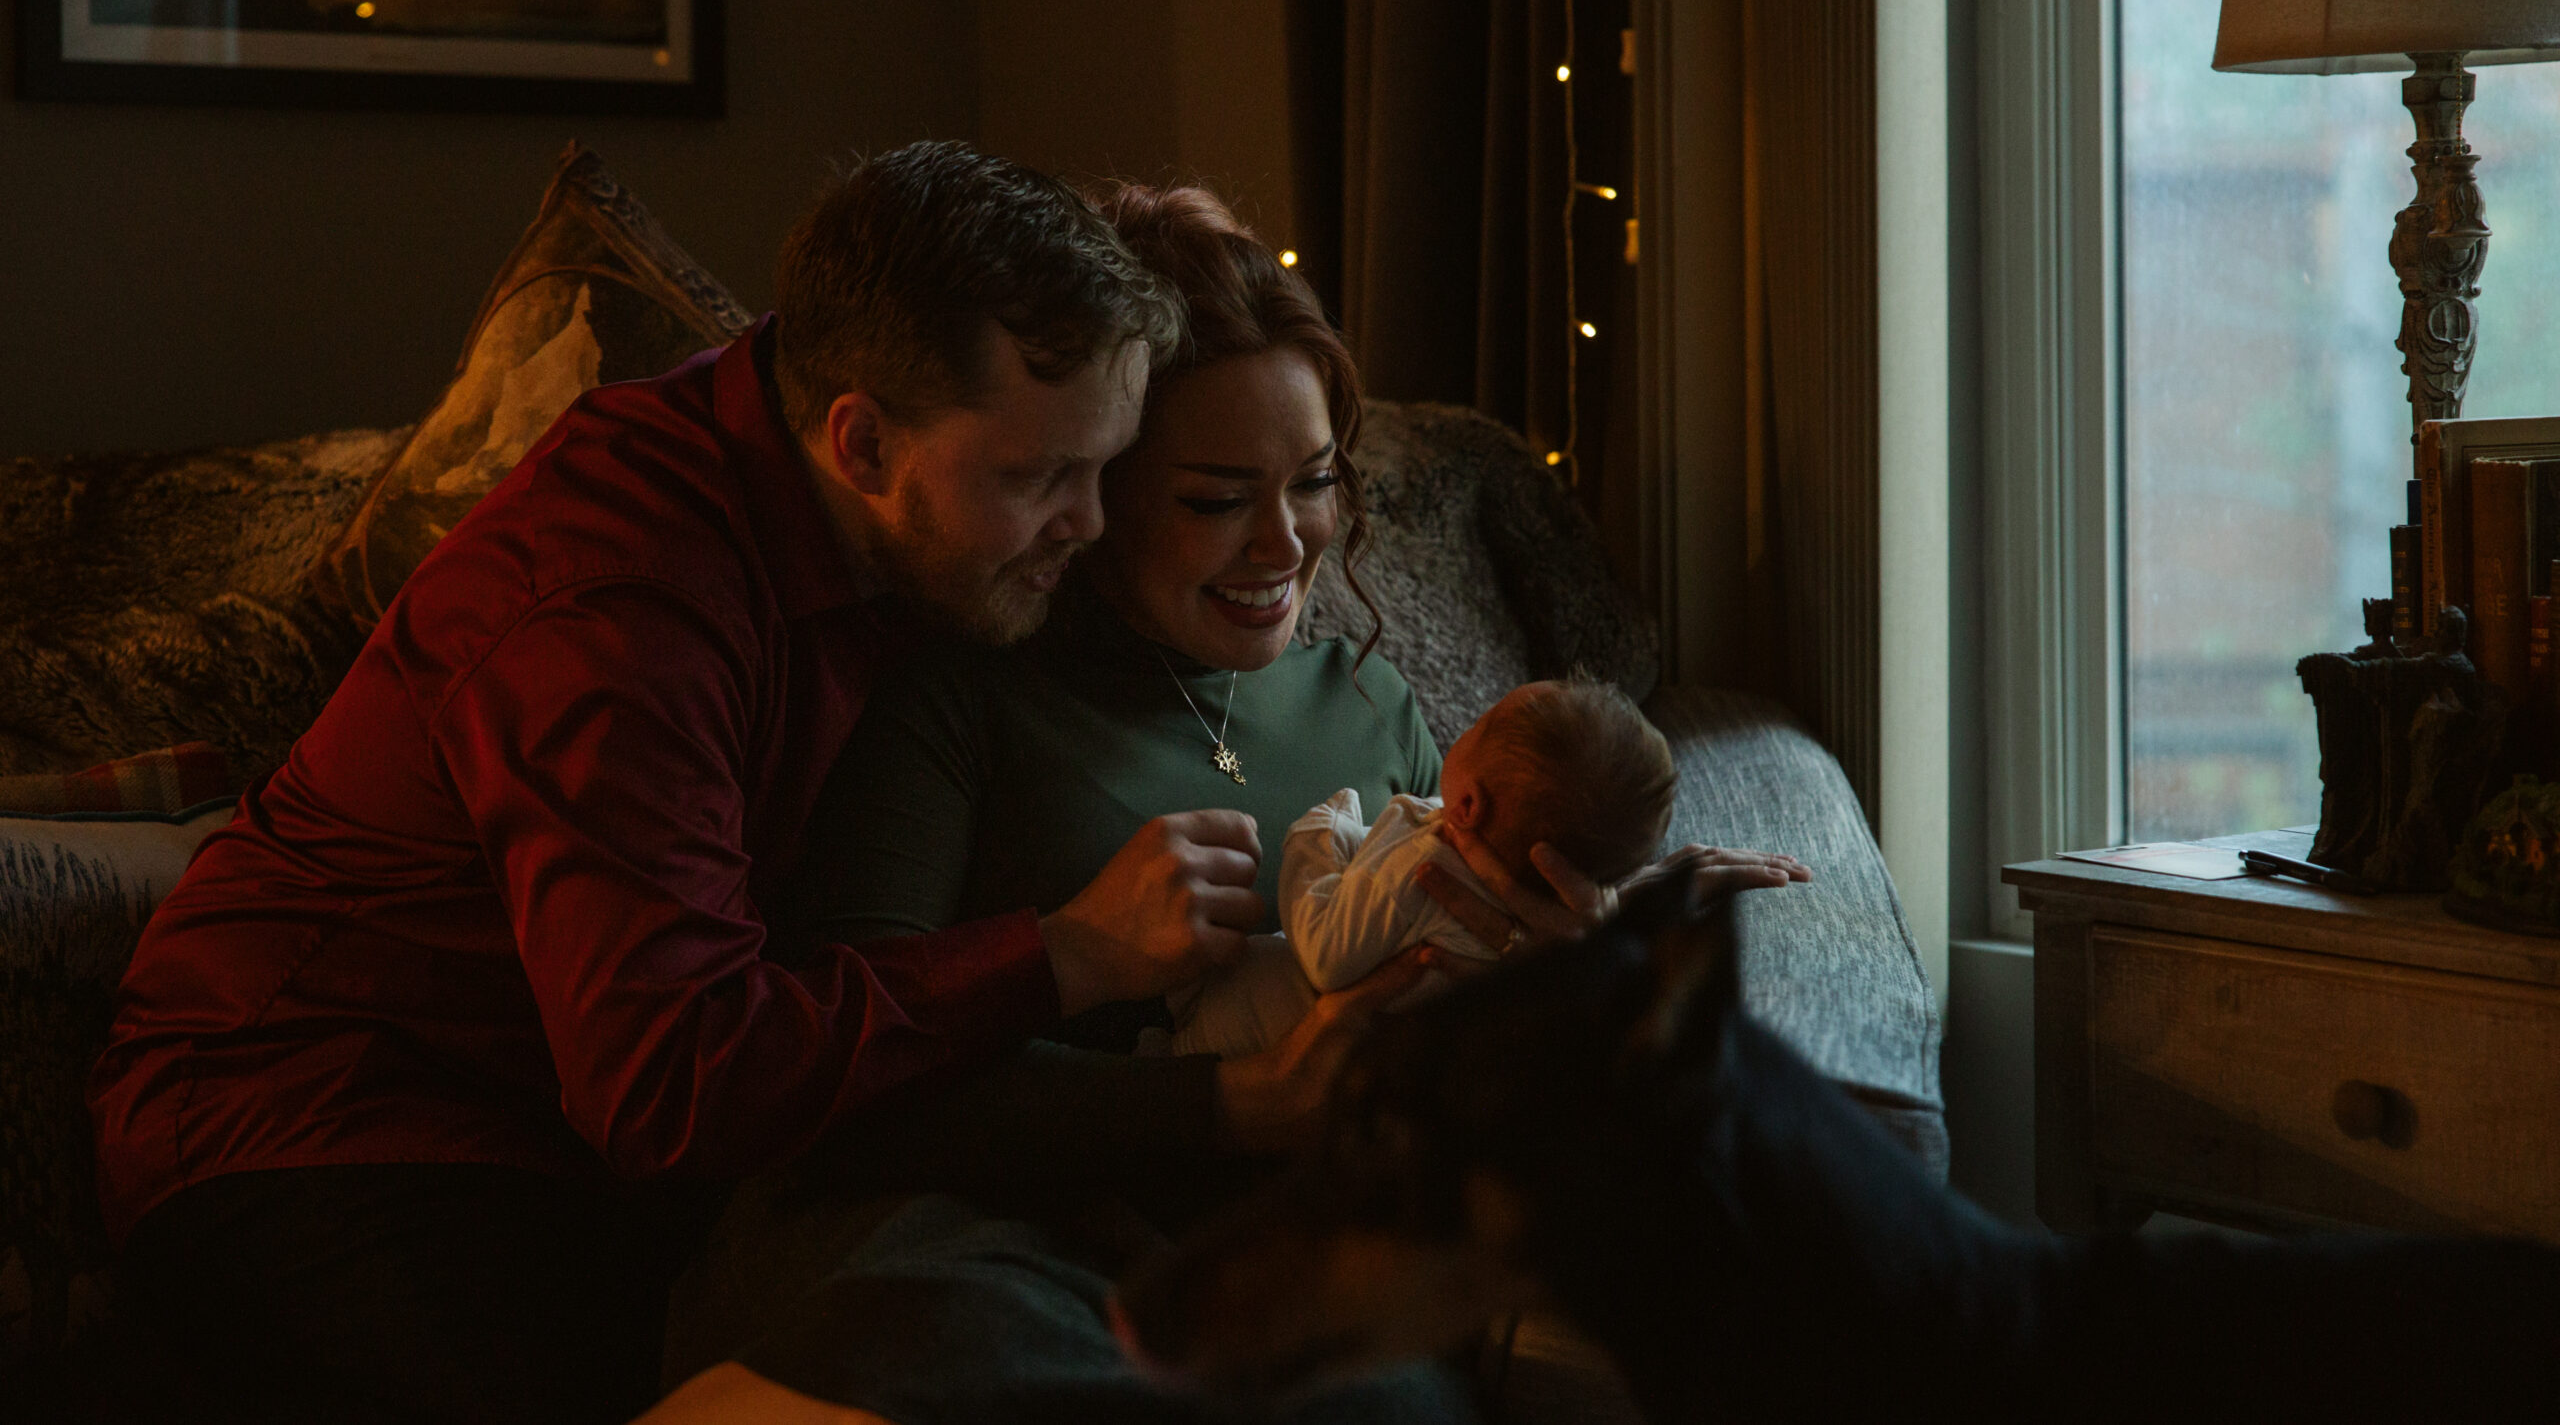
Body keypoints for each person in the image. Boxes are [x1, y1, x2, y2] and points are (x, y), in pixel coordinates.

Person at [85, 142, 1285, 1425]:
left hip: (573, 1143)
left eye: (1103, 469)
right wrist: (1060, 955)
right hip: (316, 1121)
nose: (1090, 524)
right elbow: (675, 1080)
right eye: (1041, 478)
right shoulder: (618, 609)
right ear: (861, 439)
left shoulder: (897, 492)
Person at [646, 185, 1808, 1424]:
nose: (1287, 545)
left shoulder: (1373, 706)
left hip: (1269, 1252)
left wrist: (1568, 968)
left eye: (1311, 482)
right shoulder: (956, 691)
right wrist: (1228, 1107)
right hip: (966, 1237)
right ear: (1092, 495)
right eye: (1214, 499)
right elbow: (843, 1104)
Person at [1165, 676, 1681, 1058]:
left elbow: (1326, 953)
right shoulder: (1508, 864)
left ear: (1471, 807)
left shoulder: (1428, 869)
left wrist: (1316, 837)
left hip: (1245, 1036)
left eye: (1477, 724)